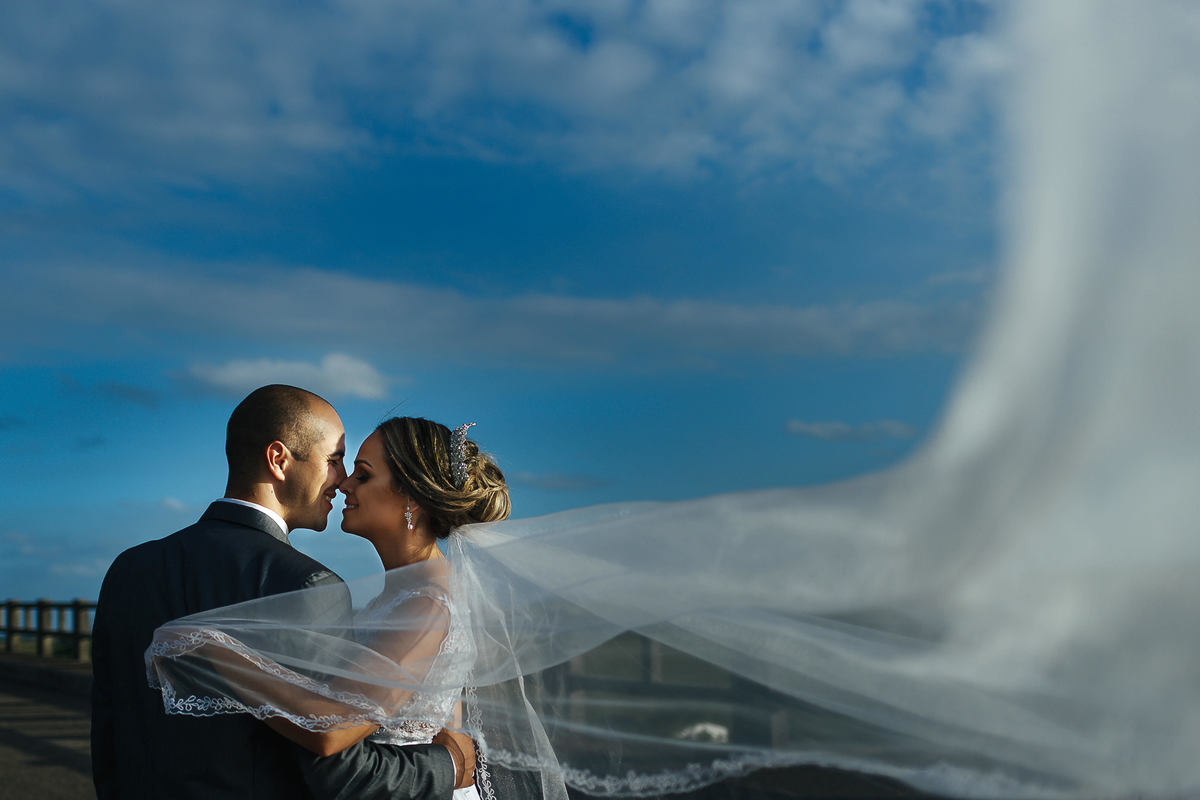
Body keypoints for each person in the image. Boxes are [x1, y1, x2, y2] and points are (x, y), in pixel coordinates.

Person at [91, 385, 472, 800]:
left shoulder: (129, 568)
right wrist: (449, 765)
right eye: (336, 461)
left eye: (360, 473)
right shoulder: (306, 584)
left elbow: (108, 734)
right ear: (279, 460)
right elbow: (334, 769)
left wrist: (223, 657)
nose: (343, 482)